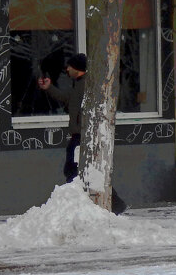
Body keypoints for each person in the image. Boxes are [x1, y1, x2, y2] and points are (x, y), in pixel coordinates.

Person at [38, 53, 126, 213]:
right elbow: (67, 98)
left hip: (83, 137)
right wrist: (49, 87)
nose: (67, 69)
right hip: (81, 136)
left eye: (70, 66)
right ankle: (107, 203)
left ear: (77, 68)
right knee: (83, 170)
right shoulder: (80, 84)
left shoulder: (87, 85)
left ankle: (103, 203)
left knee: (75, 169)